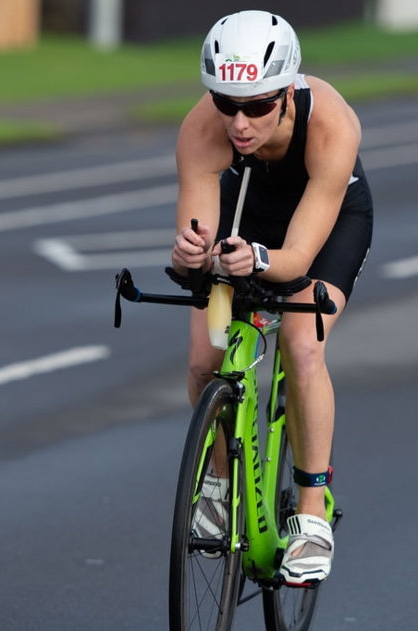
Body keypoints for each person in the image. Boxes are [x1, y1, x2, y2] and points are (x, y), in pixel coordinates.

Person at [170, 10, 373, 586]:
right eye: (225, 102)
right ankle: (216, 483)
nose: (239, 121)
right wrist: (194, 252)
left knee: (300, 343)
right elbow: (200, 231)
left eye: (257, 105)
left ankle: (312, 513)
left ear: (287, 92)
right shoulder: (202, 128)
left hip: (324, 227)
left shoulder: (332, 123)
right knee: (203, 359)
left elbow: (296, 261)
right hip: (249, 209)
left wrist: (258, 261)